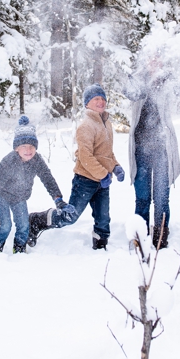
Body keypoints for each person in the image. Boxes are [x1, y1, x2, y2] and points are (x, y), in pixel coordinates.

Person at [0, 116, 64, 257]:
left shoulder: (36, 160)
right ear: (17, 148)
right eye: (24, 146)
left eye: (32, 146)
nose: (28, 150)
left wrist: (58, 198)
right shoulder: (8, 161)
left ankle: (19, 248)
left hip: (19, 197)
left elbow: (47, 178)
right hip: (2, 196)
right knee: (5, 226)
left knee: (24, 226)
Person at [125, 58, 180, 249]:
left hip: (162, 150)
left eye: (158, 58)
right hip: (141, 149)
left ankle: (160, 239)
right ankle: (140, 238)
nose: (154, 61)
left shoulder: (169, 80)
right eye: (150, 57)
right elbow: (130, 93)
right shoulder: (137, 79)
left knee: (161, 198)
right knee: (142, 198)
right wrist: (130, 81)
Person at [71, 84, 127, 250]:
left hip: (103, 182)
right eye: (96, 99)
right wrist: (103, 174)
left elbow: (106, 153)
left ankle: (101, 245)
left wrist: (116, 167)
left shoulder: (106, 123)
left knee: (103, 218)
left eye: (103, 98)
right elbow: (85, 156)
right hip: (85, 180)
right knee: (70, 216)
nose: (101, 101)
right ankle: (39, 220)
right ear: (87, 103)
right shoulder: (86, 126)